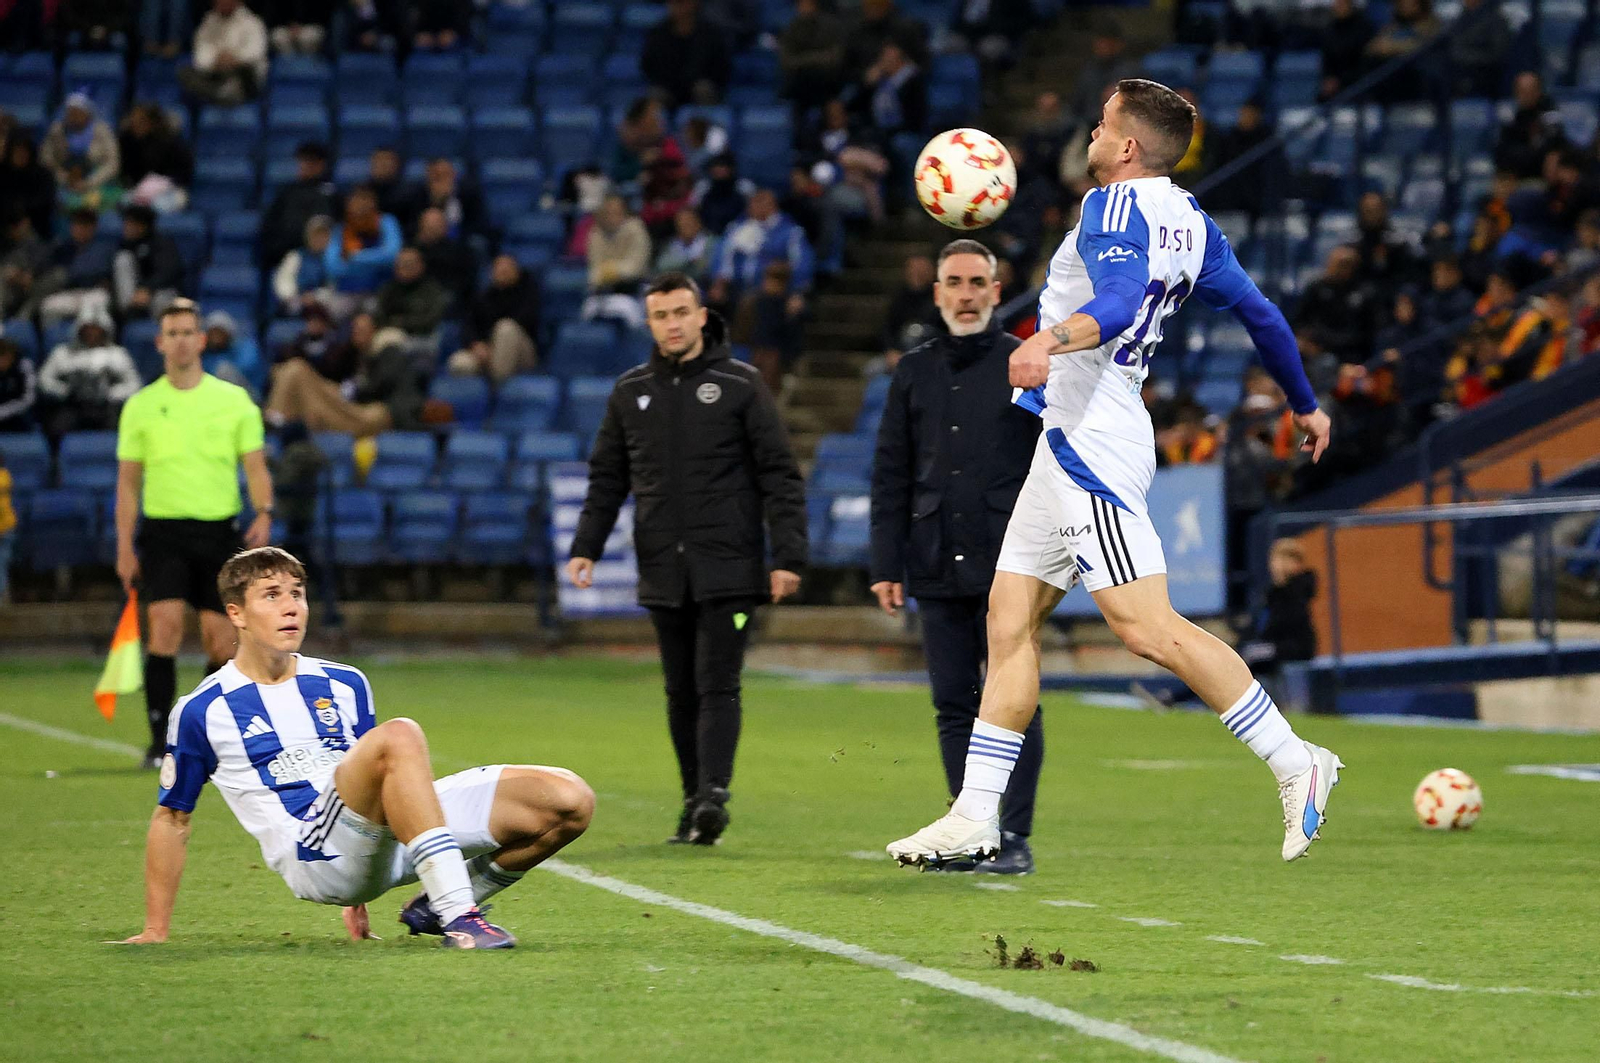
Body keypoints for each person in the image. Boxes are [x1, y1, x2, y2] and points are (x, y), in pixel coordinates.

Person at [886, 80, 1341, 870]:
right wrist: (1305, 403)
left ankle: (1293, 757)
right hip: (1072, 432)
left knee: (1145, 628)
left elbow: (1124, 299)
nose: (1090, 133)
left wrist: (1046, 340)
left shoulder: (1115, 209)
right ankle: (975, 813)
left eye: (1101, 123)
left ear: (1127, 146)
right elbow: (1263, 315)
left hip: (1088, 437)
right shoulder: (1193, 222)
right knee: (1009, 619)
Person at [114, 546, 594, 948]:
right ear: (235, 613)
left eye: (298, 594)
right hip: (314, 856)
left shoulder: (343, 682)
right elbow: (172, 818)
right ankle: (460, 917)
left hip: (378, 842)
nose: (291, 607)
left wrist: (360, 896)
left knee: (569, 800)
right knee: (399, 734)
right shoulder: (205, 708)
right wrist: (156, 929)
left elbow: (370, 777)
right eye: (272, 595)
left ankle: (437, 903)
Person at [566, 273, 806, 846]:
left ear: (702, 316)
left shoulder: (741, 385)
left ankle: (712, 794)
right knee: (680, 690)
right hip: (662, 566)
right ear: (649, 322)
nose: (671, 324)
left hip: (730, 565)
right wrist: (586, 547)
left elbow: (779, 474)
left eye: (680, 312)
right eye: (660, 315)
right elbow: (608, 477)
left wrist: (788, 556)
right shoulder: (631, 391)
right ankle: (694, 800)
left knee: (717, 682)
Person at [868, 240, 1044, 875]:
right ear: (937, 292)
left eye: (977, 282)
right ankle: (968, 827)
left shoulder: (1023, 363)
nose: (966, 294)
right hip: (935, 554)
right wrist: (886, 564)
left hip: (1011, 561)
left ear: (997, 292)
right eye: (954, 282)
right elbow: (891, 471)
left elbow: (1049, 465)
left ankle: (1014, 834)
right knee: (952, 701)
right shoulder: (912, 370)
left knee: (1012, 697)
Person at [116, 299, 275, 768]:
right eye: (173, 332)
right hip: (163, 531)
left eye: (189, 332)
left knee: (220, 641)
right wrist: (124, 544)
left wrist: (263, 511)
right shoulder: (142, 406)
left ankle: (205, 735)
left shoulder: (233, 401)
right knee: (162, 629)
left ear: (201, 340)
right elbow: (128, 482)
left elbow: (256, 466)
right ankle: (158, 739)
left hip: (218, 532)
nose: (182, 340)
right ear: (160, 342)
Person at [265, 325, 423, 436]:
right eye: (355, 330)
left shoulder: (388, 353)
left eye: (363, 330)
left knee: (296, 369)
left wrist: (354, 391)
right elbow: (337, 382)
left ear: (374, 331)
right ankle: (277, 420)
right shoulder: (349, 355)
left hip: (377, 412)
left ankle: (275, 420)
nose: (358, 334)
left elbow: (378, 387)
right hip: (347, 408)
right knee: (291, 370)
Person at [38, 302, 141, 437]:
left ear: (105, 330)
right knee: (56, 426)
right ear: (79, 329)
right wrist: (64, 391)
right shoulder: (62, 353)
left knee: (123, 425)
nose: (92, 333)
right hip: (72, 406)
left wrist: (111, 393)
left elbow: (134, 384)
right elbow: (44, 379)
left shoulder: (118, 354)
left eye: (96, 328)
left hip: (106, 407)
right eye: (88, 328)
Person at [446, 254, 540, 383]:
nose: (502, 273)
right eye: (499, 270)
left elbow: (526, 320)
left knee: (506, 327)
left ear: (517, 272)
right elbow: (468, 325)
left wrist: (493, 346)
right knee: (459, 362)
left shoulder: (528, 293)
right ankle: (473, 399)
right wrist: (476, 345)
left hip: (521, 353)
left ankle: (496, 389)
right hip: (487, 352)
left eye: (507, 270)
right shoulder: (484, 296)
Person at [260, 142, 338, 270]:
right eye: (303, 161)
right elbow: (269, 226)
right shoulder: (286, 193)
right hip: (286, 257)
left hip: (324, 259)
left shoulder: (332, 195)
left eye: (311, 162)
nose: (306, 166)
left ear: (322, 164)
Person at [641, 0, 732, 108]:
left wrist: (699, 80)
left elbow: (722, 67)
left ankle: (706, 122)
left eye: (681, 2)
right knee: (655, 94)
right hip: (667, 87)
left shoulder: (710, 34)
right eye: (673, 3)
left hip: (699, 85)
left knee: (703, 89)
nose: (677, 7)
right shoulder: (658, 33)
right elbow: (648, 65)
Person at [180, 0, 270, 106]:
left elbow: (256, 51)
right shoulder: (208, 23)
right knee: (185, 73)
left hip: (242, 74)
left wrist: (234, 59)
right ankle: (222, 94)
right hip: (216, 73)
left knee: (248, 71)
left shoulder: (252, 22)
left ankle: (224, 94)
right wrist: (215, 60)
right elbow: (200, 52)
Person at [39, 93, 120, 207]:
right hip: (63, 182)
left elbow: (112, 164)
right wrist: (64, 178)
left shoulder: (103, 131)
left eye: (78, 113)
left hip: (97, 182)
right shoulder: (57, 130)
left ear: (87, 114)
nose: (74, 117)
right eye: (70, 113)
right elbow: (46, 160)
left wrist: (89, 182)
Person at [583, 195, 652, 328]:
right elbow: (594, 270)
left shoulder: (636, 230)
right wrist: (605, 274)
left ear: (625, 213)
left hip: (634, 290)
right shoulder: (596, 234)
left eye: (616, 212)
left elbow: (635, 267)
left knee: (629, 311)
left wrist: (609, 270)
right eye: (608, 212)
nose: (612, 216)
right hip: (603, 291)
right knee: (588, 310)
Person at [324, 185, 402, 297]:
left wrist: (354, 257)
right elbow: (332, 266)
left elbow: (392, 255)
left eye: (366, 199)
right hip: (346, 291)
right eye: (356, 199)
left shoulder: (386, 222)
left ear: (374, 203)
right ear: (348, 204)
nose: (361, 204)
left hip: (381, 289)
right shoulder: (341, 229)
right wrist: (373, 264)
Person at [112, 204, 185, 319]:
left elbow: (168, 272)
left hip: (160, 292)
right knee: (122, 258)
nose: (125, 227)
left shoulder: (162, 243)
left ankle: (166, 332)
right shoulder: (124, 245)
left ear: (142, 226)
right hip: (134, 296)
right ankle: (128, 312)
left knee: (162, 300)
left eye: (130, 223)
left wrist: (148, 289)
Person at [271, 214, 335, 317]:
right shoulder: (295, 257)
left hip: (324, 304)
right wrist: (296, 297)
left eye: (324, 235)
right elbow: (283, 280)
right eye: (316, 235)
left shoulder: (334, 259)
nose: (319, 239)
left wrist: (316, 297)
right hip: (297, 302)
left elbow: (334, 286)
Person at [0, 337, 37, 433]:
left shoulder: (24, 366)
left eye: (3, 358)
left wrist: (4, 411)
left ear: (10, 356)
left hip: (18, 414)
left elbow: (29, 399)